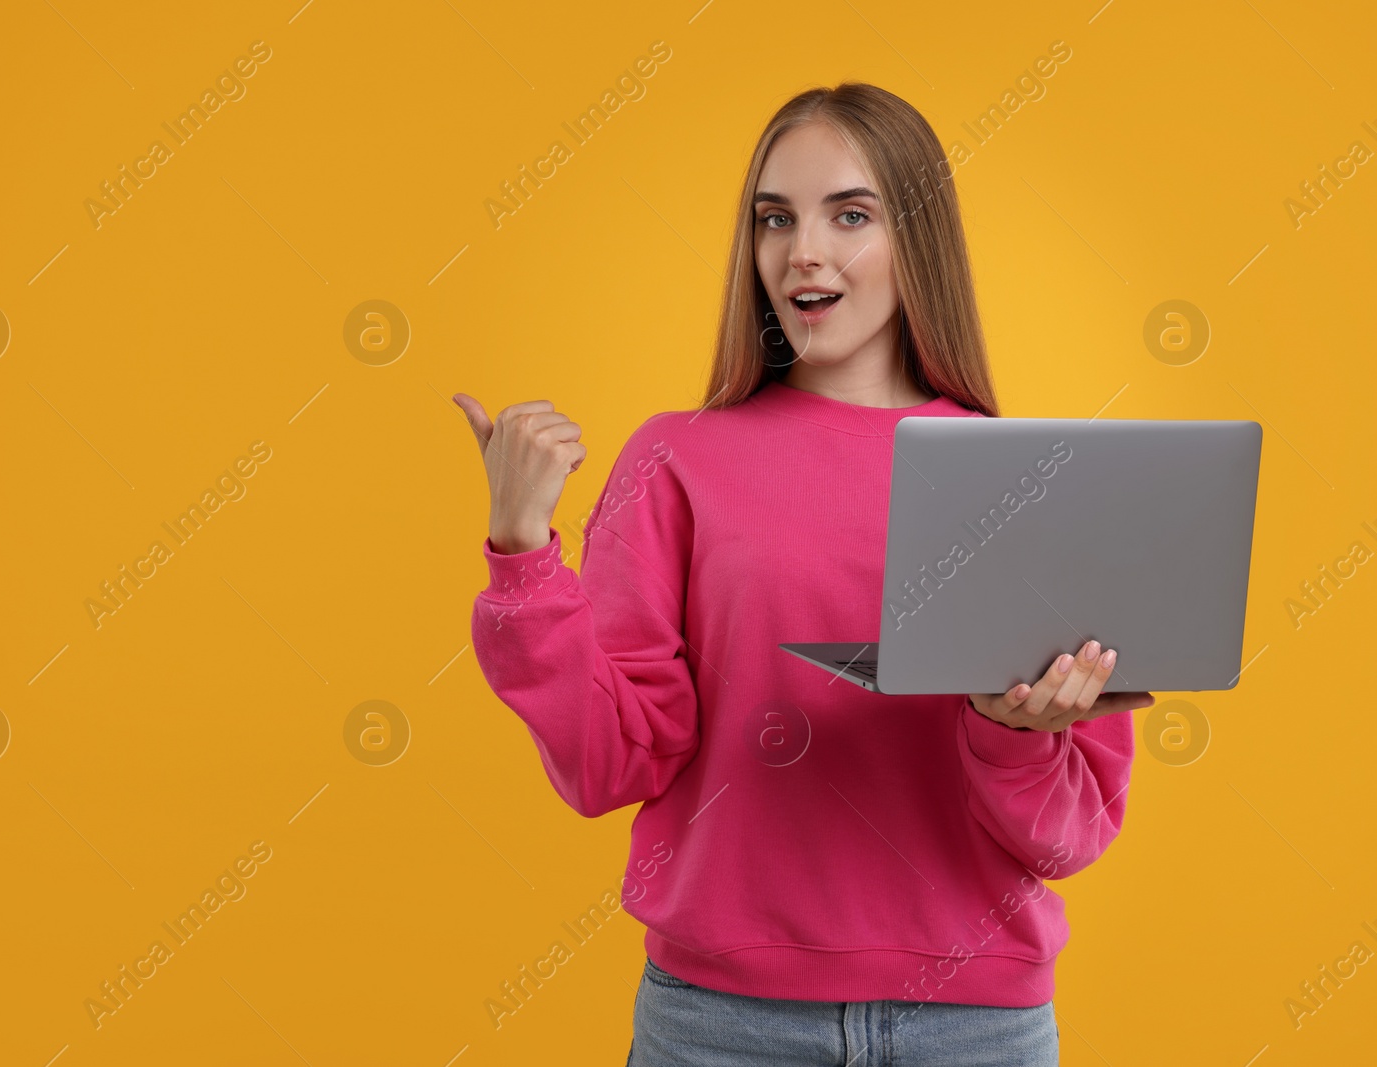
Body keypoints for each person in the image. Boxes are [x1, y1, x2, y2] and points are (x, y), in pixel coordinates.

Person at [453, 81, 1154, 1067]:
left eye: (849, 215)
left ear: (920, 241)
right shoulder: (672, 461)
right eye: (773, 219)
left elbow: (1068, 838)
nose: (801, 254)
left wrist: (1012, 737)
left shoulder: (1026, 478)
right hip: (718, 1025)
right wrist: (525, 556)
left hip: (976, 1025)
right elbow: (611, 762)